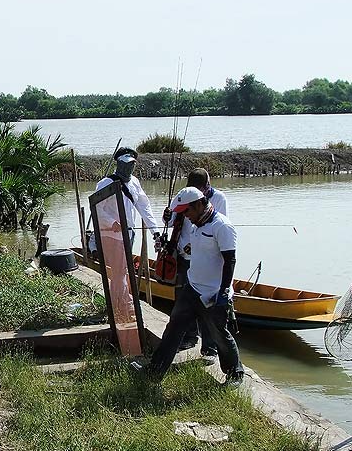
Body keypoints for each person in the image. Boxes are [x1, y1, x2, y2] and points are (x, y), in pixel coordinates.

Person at [146, 186, 244, 385]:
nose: (186, 217)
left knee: (219, 334)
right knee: (173, 328)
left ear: (199, 204)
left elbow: (230, 261)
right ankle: (154, 372)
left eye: (187, 211)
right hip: (192, 288)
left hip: (213, 293)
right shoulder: (196, 225)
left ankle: (235, 374)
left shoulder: (222, 226)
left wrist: (224, 293)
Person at [93, 147, 161, 354]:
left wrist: (155, 231)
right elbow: (97, 209)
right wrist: (112, 222)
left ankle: (120, 303)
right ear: (118, 163)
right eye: (125, 164)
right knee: (120, 271)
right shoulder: (105, 184)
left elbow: (144, 207)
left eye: (132, 164)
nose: (129, 168)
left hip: (128, 234)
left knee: (122, 271)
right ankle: (122, 306)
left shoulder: (135, 183)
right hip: (112, 235)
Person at [162, 168, 229, 354]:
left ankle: (209, 347)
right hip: (183, 256)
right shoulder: (184, 197)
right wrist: (166, 217)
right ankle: (189, 337)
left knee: (207, 305)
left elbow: (217, 229)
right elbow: (170, 222)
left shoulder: (219, 199)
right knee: (183, 303)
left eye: (204, 188)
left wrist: (197, 246)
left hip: (206, 259)